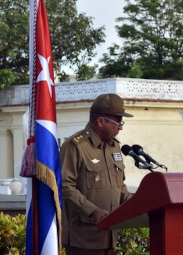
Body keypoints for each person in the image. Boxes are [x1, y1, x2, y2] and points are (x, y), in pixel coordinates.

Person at [60, 93, 134, 255]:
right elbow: (65, 186)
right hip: (84, 239)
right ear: (100, 121)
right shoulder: (76, 146)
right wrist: (92, 210)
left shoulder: (114, 147)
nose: (120, 127)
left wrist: (137, 204)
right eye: (117, 122)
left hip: (109, 236)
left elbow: (119, 186)